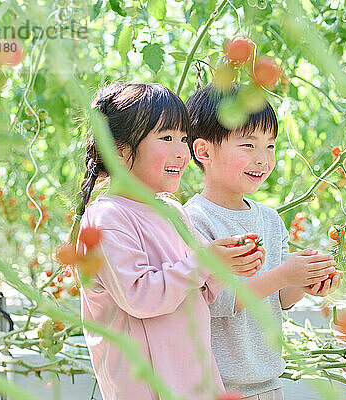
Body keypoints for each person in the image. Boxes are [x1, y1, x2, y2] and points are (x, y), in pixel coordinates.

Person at [76, 82, 265, 400]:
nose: (182, 152)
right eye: (166, 138)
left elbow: (196, 289)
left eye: (184, 139)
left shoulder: (171, 210)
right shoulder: (106, 217)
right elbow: (140, 296)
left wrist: (227, 261)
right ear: (120, 150)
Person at [184, 84, 341, 399]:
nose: (262, 159)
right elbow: (222, 301)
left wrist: (305, 282)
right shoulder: (195, 219)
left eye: (270, 146)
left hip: (269, 382)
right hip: (219, 387)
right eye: (247, 145)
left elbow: (278, 298)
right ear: (204, 151)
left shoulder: (270, 219)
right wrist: (285, 274)